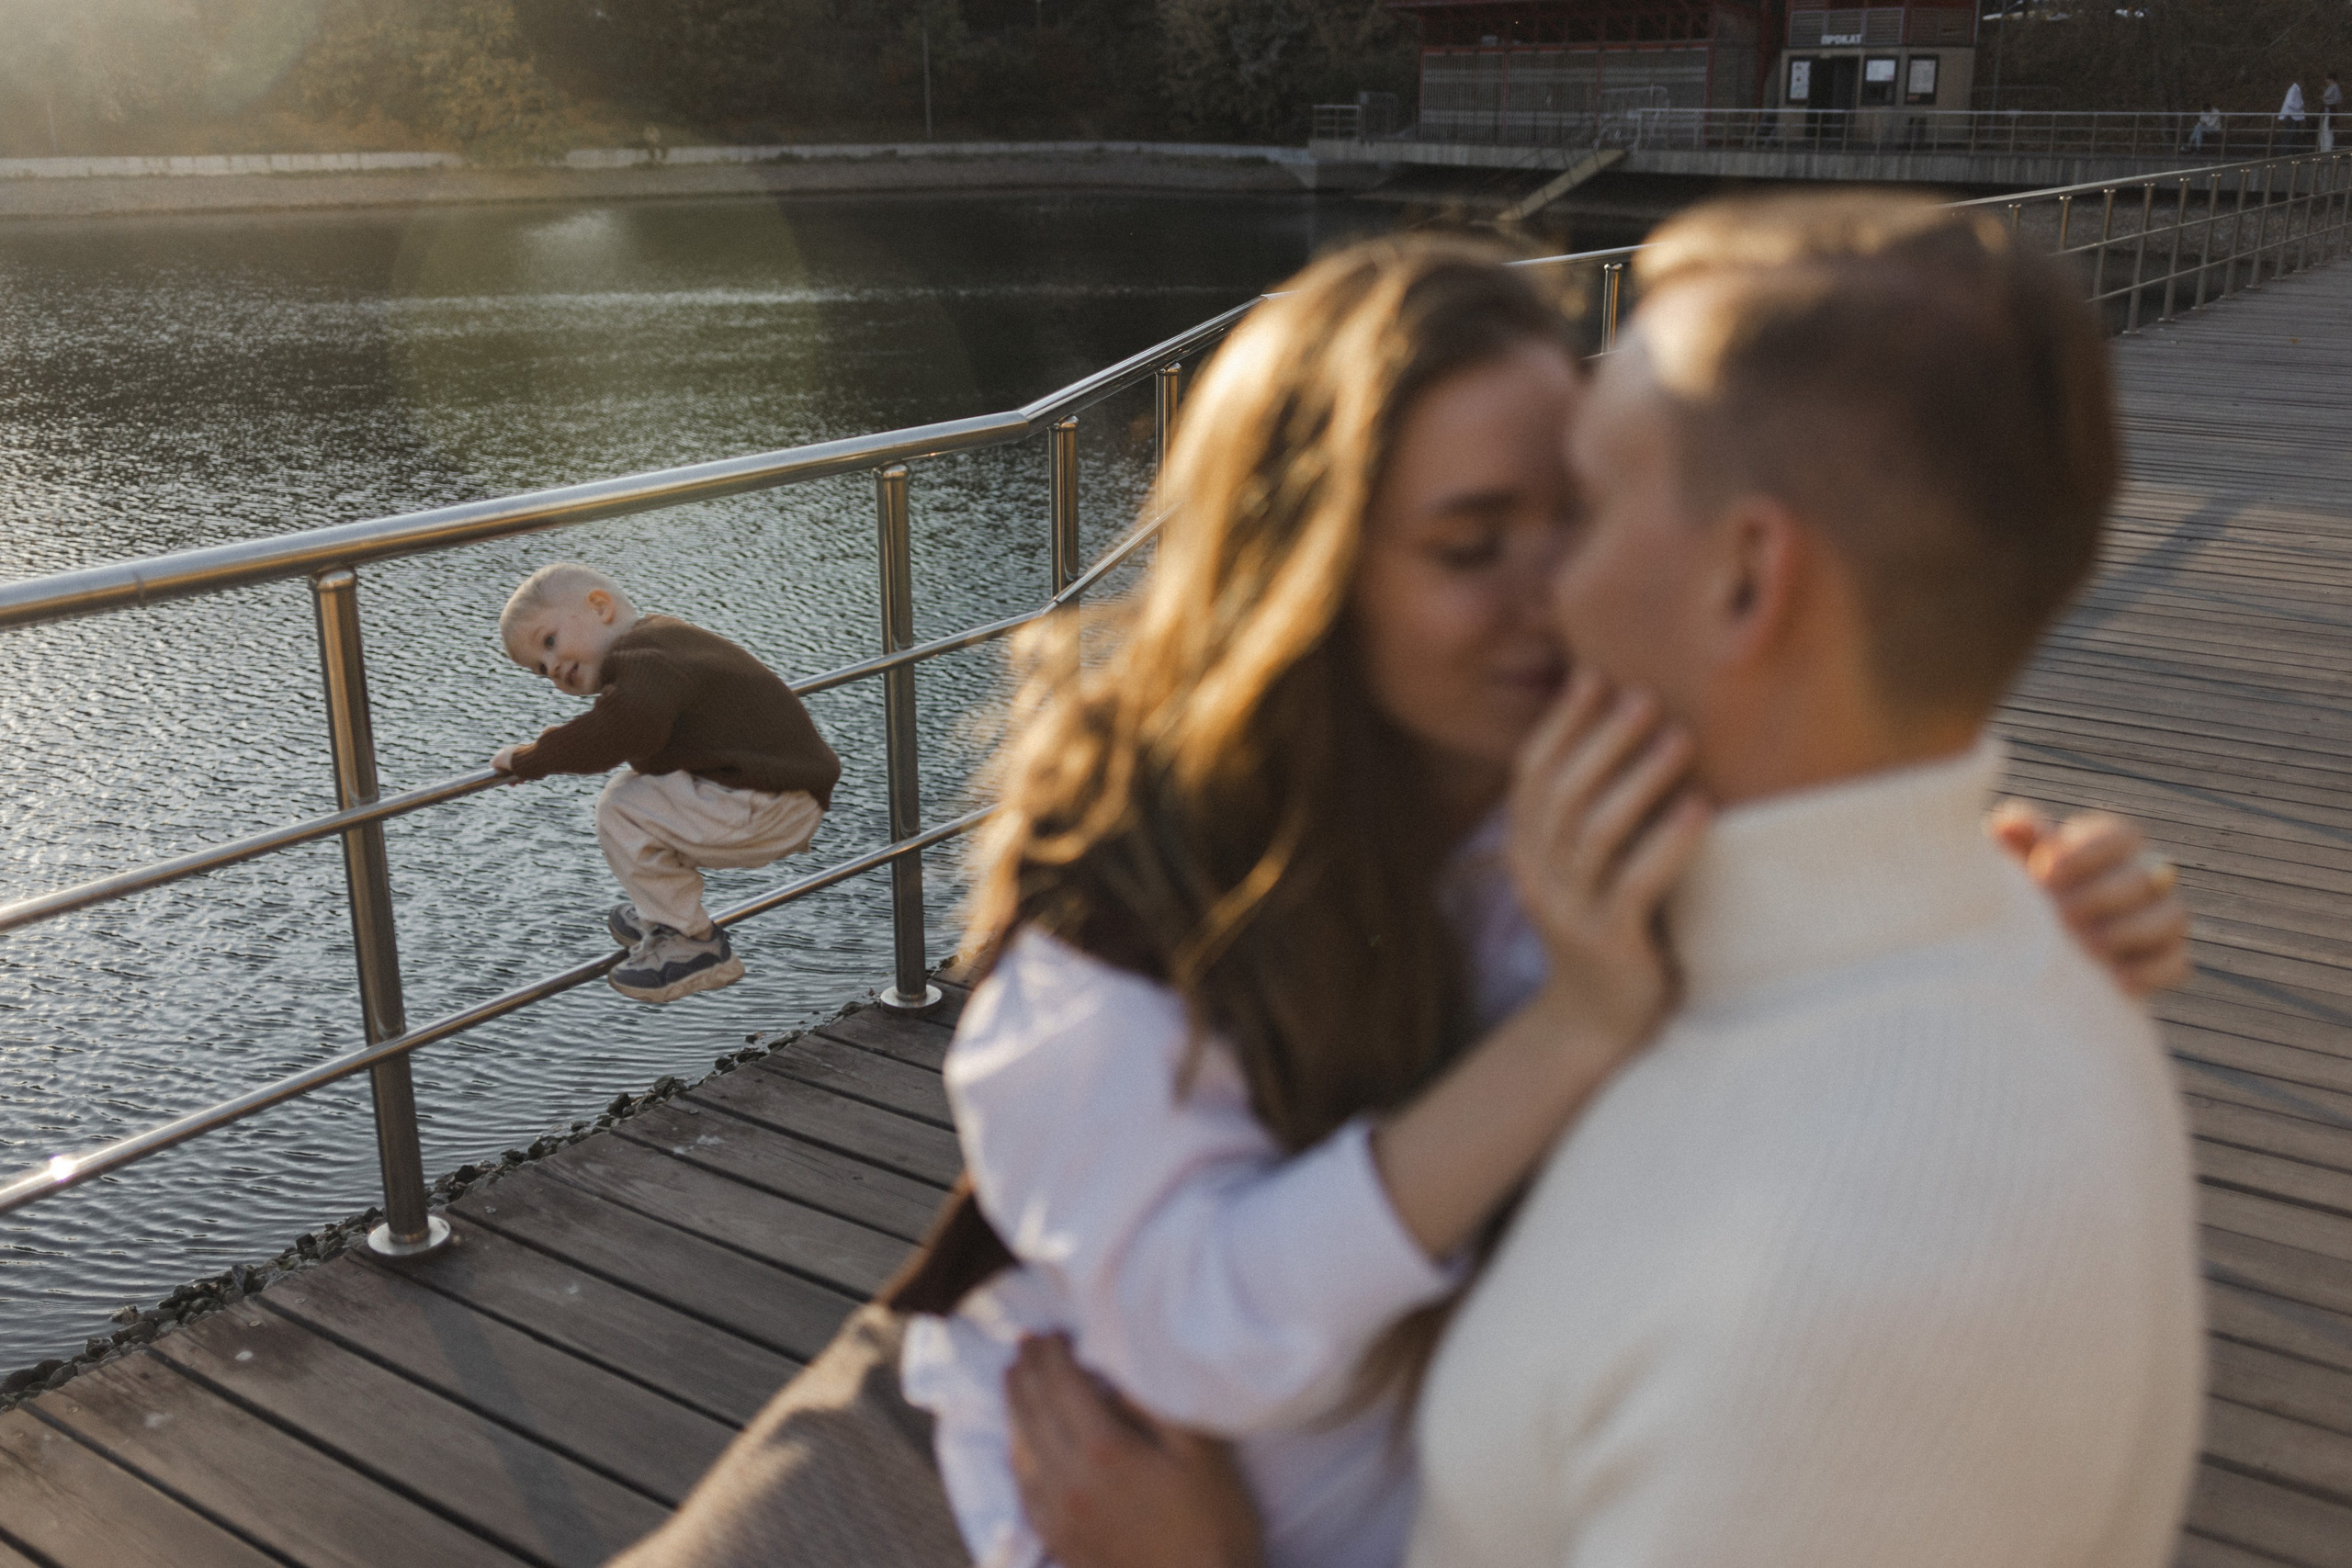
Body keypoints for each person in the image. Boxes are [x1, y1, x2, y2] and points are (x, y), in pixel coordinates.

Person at [614, 233, 2189, 1568]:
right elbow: (1189, 1326)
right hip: (1033, 1504)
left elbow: (1810, 833)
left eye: (1574, 513)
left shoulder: (1578, 775)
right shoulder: (1129, 895)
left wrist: (2005, 894)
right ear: (1305, 575)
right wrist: (1567, 1038)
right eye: (1469, 542)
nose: (1553, 587)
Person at [491, 562, 839, 1003]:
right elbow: (634, 733)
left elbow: (616, 734)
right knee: (639, 792)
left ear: (600, 607)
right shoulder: (660, 642)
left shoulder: (642, 660)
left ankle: (690, 941)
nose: (553, 668)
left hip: (768, 802)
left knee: (621, 805)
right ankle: (662, 912)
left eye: (550, 641)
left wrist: (530, 760)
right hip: (783, 792)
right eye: (540, 669)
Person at [2279, 79, 2309, 149]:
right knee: (2290, 136)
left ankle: (2289, 153)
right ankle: (2287, 153)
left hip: (2293, 116)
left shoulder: (2295, 89)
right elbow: (2290, 102)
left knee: (2292, 136)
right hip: (2292, 116)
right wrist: (2299, 107)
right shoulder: (2294, 90)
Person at [2323, 73, 2342, 152]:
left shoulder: (2335, 87)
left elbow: (2338, 99)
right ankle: (2324, 149)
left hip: (2331, 111)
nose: (2326, 81)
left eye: (2327, 79)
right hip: (2326, 111)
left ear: (2331, 79)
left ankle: (2328, 150)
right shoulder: (2330, 88)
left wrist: (2327, 101)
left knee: (2328, 130)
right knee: (2324, 130)